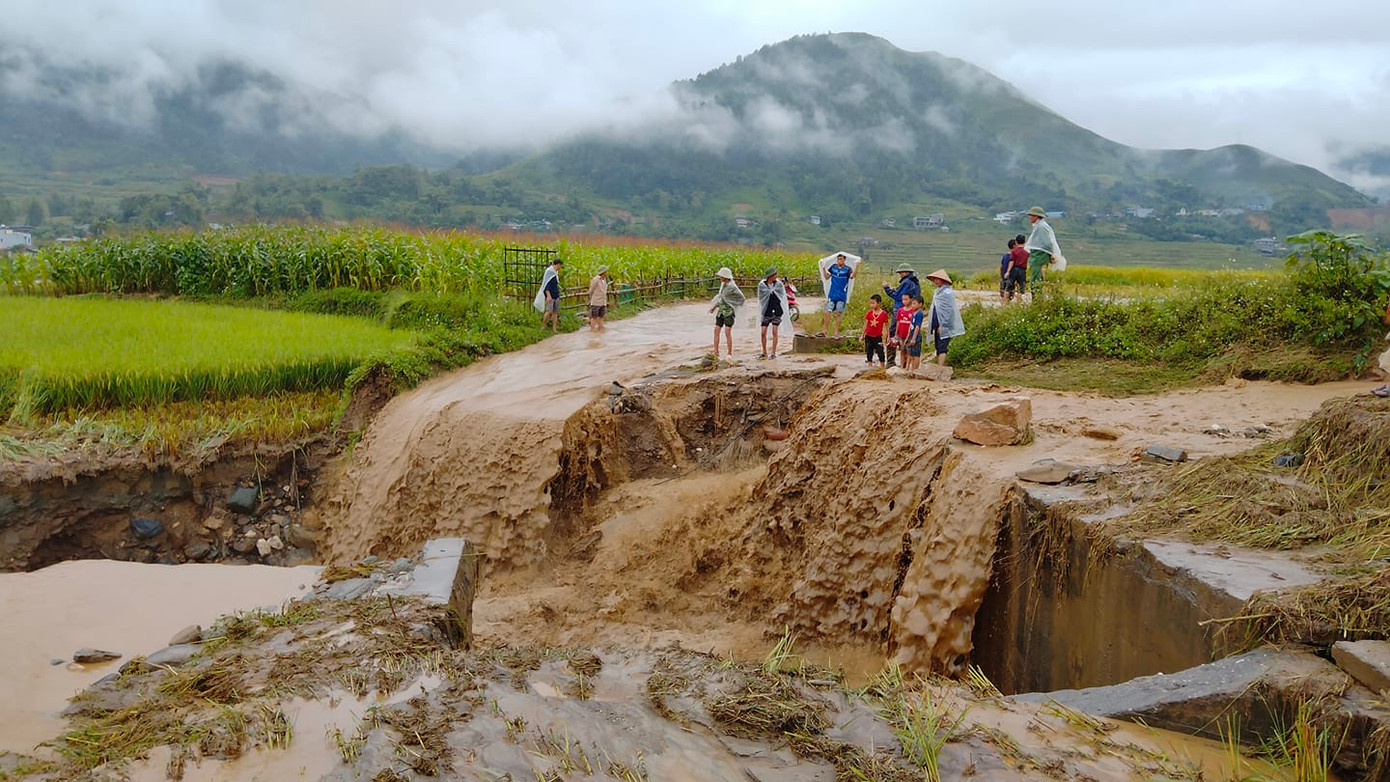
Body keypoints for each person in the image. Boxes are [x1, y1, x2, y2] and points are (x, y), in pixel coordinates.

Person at [882, 263, 921, 368]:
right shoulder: (915, 283)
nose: (900, 274)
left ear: (905, 272)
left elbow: (897, 296)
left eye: (900, 273)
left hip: (901, 311)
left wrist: (887, 288)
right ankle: (905, 365)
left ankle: (890, 362)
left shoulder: (906, 282)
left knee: (893, 334)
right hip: (910, 313)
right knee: (908, 335)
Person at [925, 269, 966, 367]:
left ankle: (940, 368)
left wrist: (943, 324)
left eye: (938, 279)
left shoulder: (947, 293)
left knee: (942, 346)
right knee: (937, 345)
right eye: (934, 279)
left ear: (943, 280)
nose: (935, 281)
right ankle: (939, 365)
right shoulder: (937, 292)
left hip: (944, 325)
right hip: (937, 323)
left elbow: (948, 311)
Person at [708, 266, 745, 359]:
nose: (720, 278)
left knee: (727, 332)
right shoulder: (723, 285)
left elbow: (741, 298)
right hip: (721, 311)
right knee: (716, 330)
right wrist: (714, 307)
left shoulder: (732, 287)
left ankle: (729, 353)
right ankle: (716, 352)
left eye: (721, 277)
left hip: (729, 312)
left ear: (725, 277)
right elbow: (722, 298)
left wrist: (733, 305)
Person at [1024, 207, 1062, 290]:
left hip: (1040, 256)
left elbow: (1048, 243)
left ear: (1036, 216)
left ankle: (1037, 296)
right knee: (1035, 277)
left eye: (1031, 215)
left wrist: (1050, 254)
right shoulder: (1038, 226)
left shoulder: (1041, 227)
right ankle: (1036, 295)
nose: (1030, 217)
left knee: (1037, 278)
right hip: (1037, 256)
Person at [819, 252, 856, 337]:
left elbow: (852, 276)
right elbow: (827, 277)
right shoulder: (833, 267)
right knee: (827, 312)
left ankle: (836, 332)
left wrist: (857, 266)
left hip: (841, 296)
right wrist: (823, 268)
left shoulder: (847, 269)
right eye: (838, 259)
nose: (839, 261)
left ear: (844, 260)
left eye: (841, 259)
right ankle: (824, 331)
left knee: (839, 313)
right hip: (832, 295)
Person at [757, 267, 788, 360]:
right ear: (770, 276)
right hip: (767, 311)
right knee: (763, 332)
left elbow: (781, 295)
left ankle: (773, 353)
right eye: (774, 274)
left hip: (777, 310)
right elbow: (761, 298)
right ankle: (764, 352)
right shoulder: (762, 285)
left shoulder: (778, 284)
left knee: (775, 331)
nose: (776, 276)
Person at [534, 258, 563, 332]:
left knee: (555, 312)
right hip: (550, 294)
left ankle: (554, 328)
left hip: (556, 294)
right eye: (560, 266)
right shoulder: (549, 272)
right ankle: (543, 325)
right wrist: (548, 295)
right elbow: (547, 285)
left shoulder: (555, 273)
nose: (560, 267)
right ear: (558, 264)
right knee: (549, 311)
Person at [892, 292, 916, 370]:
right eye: (903, 300)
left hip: (910, 335)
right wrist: (896, 333)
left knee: (909, 351)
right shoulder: (900, 310)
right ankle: (902, 366)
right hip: (901, 334)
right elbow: (898, 322)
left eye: (906, 299)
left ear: (911, 299)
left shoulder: (913, 311)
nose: (904, 301)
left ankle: (907, 367)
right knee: (902, 350)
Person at [863, 294, 888, 366]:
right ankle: (869, 366)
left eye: (873, 303)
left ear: (879, 303)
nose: (871, 305)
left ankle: (882, 366)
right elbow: (865, 324)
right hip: (868, 336)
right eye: (870, 303)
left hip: (878, 337)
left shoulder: (883, 314)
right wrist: (862, 334)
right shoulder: (869, 313)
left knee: (880, 353)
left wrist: (888, 336)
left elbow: (887, 325)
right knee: (869, 352)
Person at [902, 294, 924, 372]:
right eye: (912, 303)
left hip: (916, 337)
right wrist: (908, 337)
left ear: (920, 304)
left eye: (914, 304)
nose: (912, 305)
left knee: (916, 355)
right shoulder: (914, 313)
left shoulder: (919, 314)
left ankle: (915, 370)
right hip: (911, 336)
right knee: (911, 354)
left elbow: (917, 327)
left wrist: (914, 338)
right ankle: (911, 369)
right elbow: (910, 326)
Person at [1006, 233, 1029, 302]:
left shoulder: (1014, 251)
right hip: (1022, 270)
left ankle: (1005, 303)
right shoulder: (1026, 253)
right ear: (1024, 242)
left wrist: (1008, 271)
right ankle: (1018, 304)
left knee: (1008, 288)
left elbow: (1012, 261)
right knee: (1021, 289)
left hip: (1014, 269)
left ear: (1016, 242)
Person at [587, 266, 609, 333]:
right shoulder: (595, 279)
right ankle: (592, 329)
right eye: (606, 272)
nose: (607, 273)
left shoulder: (604, 280)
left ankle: (601, 328)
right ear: (603, 272)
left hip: (603, 301)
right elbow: (591, 290)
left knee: (601, 316)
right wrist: (590, 298)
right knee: (594, 316)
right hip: (596, 301)